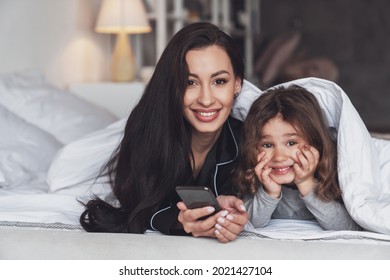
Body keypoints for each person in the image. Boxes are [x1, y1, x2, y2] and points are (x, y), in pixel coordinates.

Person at [80, 22, 248, 243]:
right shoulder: (148, 130)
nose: (206, 99)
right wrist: (180, 222)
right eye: (190, 82)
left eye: (219, 81)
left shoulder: (249, 139)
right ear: (174, 85)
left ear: (237, 84)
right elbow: (137, 206)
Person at [234, 85, 361, 230]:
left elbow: (346, 228)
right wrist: (269, 193)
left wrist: (306, 183)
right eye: (267, 145)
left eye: (291, 143)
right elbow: (246, 225)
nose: (279, 157)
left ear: (315, 143)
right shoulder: (256, 177)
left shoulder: (334, 172)